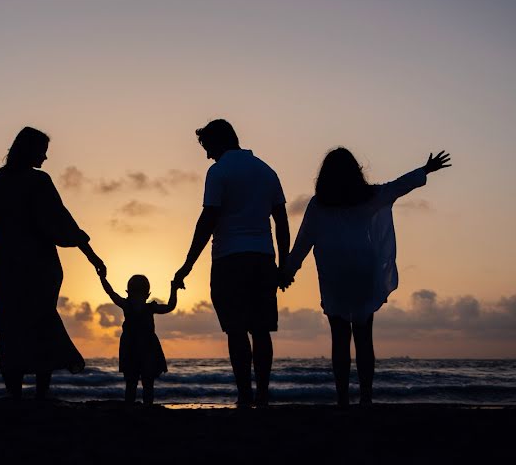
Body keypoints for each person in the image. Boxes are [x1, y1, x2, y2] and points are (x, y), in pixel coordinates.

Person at [281, 148, 451, 407]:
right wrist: (425, 170)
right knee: (363, 335)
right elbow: (398, 186)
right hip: (363, 267)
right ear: (355, 171)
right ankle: (366, 397)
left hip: (334, 271)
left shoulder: (318, 203)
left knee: (339, 337)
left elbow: (304, 241)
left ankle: (342, 400)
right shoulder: (368, 196)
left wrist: (288, 272)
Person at [0, 126, 106, 399]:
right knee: (42, 325)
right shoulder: (38, 182)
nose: (44, 158)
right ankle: (41, 394)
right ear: (30, 150)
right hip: (36, 265)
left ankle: (15, 395)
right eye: (42, 152)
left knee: (11, 329)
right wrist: (91, 255)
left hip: (9, 265)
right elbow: (63, 223)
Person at [174, 119, 289, 408]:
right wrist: (284, 262)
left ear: (218, 142)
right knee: (261, 330)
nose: (206, 154)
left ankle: (245, 395)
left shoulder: (218, 172)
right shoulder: (266, 170)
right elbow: (282, 221)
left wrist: (187, 264)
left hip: (229, 259)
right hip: (263, 257)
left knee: (236, 330)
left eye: (206, 146)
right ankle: (261, 393)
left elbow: (208, 220)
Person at [98, 272, 180, 406]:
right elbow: (170, 306)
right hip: (143, 348)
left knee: (134, 382)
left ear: (128, 292)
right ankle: (143, 408)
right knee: (143, 383)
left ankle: (133, 408)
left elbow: (111, 293)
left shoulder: (128, 305)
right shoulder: (147, 307)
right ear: (147, 294)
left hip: (137, 348)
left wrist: (102, 278)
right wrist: (173, 289)